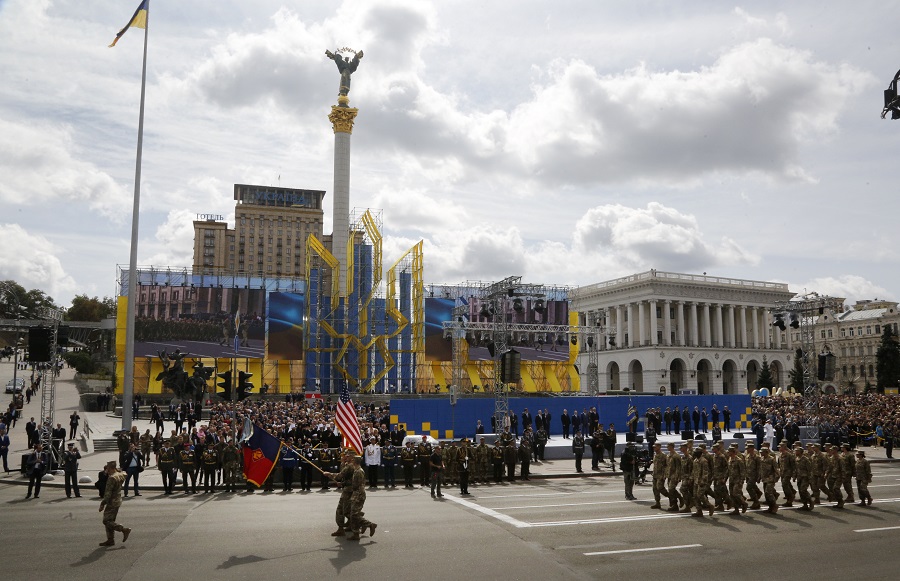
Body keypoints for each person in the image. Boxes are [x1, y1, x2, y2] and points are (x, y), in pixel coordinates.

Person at [98, 461, 131, 547]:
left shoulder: (112, 478)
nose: (106, 470)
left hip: (112, 502)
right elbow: (125, 473)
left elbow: (108, 494)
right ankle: (110, 540)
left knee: (106, 521)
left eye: (107, 468)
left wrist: (102, 504)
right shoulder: (120, 475)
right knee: (110, 521)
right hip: (118, 500)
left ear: (110, 468)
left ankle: (123, 529)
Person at [346, 454, 376, 541]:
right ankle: (357, 532)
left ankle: (369, 525)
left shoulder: (358, 471)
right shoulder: (358, 470)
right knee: (354, 514)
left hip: (358, 495)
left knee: (354, 515)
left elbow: (355, 485)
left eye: (352, 460)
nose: (351, 461)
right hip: (357, 494)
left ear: (355, 462)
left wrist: (346, 484)